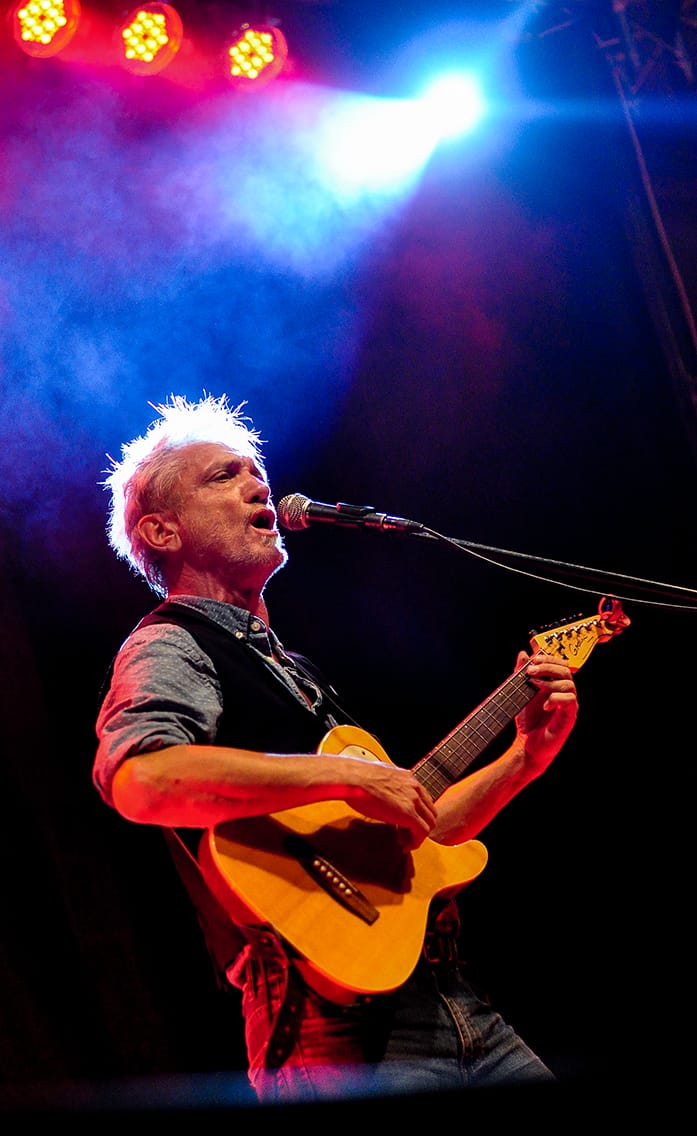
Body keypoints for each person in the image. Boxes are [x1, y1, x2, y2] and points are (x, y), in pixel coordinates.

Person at [93, 392, 580, 1105]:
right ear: (162, 530)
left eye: (256, 473)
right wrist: (341, 777)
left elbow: (420, 837)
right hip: (330, 1024)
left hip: (450, 999)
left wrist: (523, 759)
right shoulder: (169, 643)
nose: (258, 486)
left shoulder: (297, 672)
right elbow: (141, 779)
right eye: (224, 476)